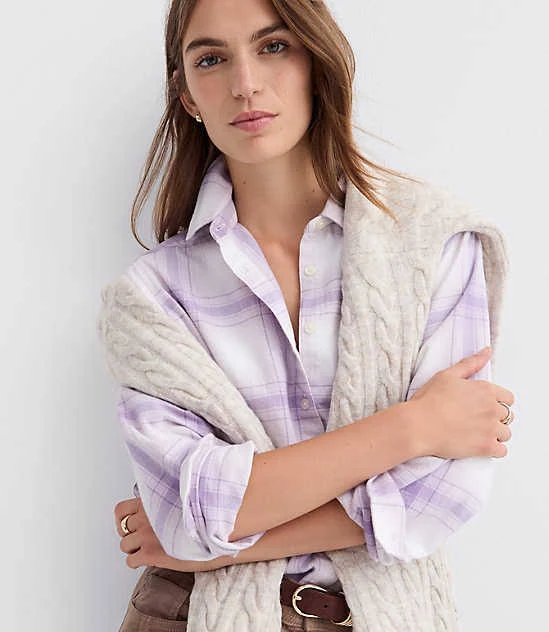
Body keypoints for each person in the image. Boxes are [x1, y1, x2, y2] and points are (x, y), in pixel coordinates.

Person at [98, 0, 515, 630]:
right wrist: (413, 426)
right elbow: (188, 510)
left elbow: (438, 496)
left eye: (273, 46)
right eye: (211, 59)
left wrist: (214, 545)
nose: (245, 84)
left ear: (317, 63)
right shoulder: (151, 297)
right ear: (187, 97)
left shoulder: (433, 241)